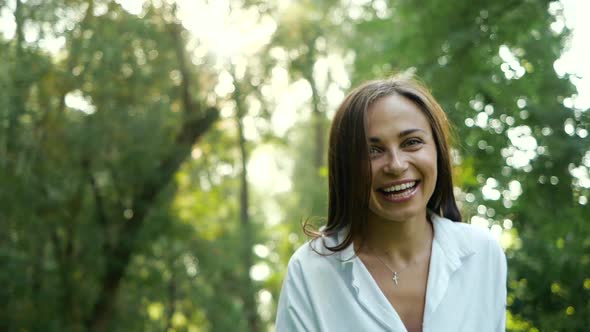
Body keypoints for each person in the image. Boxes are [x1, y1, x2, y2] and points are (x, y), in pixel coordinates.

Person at [275, 75, 507, 331]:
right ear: (347, 167)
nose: (396, 165)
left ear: (438, 151)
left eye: (412, 142)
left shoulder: (482, 255)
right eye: (372, 150)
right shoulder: (310, 272)